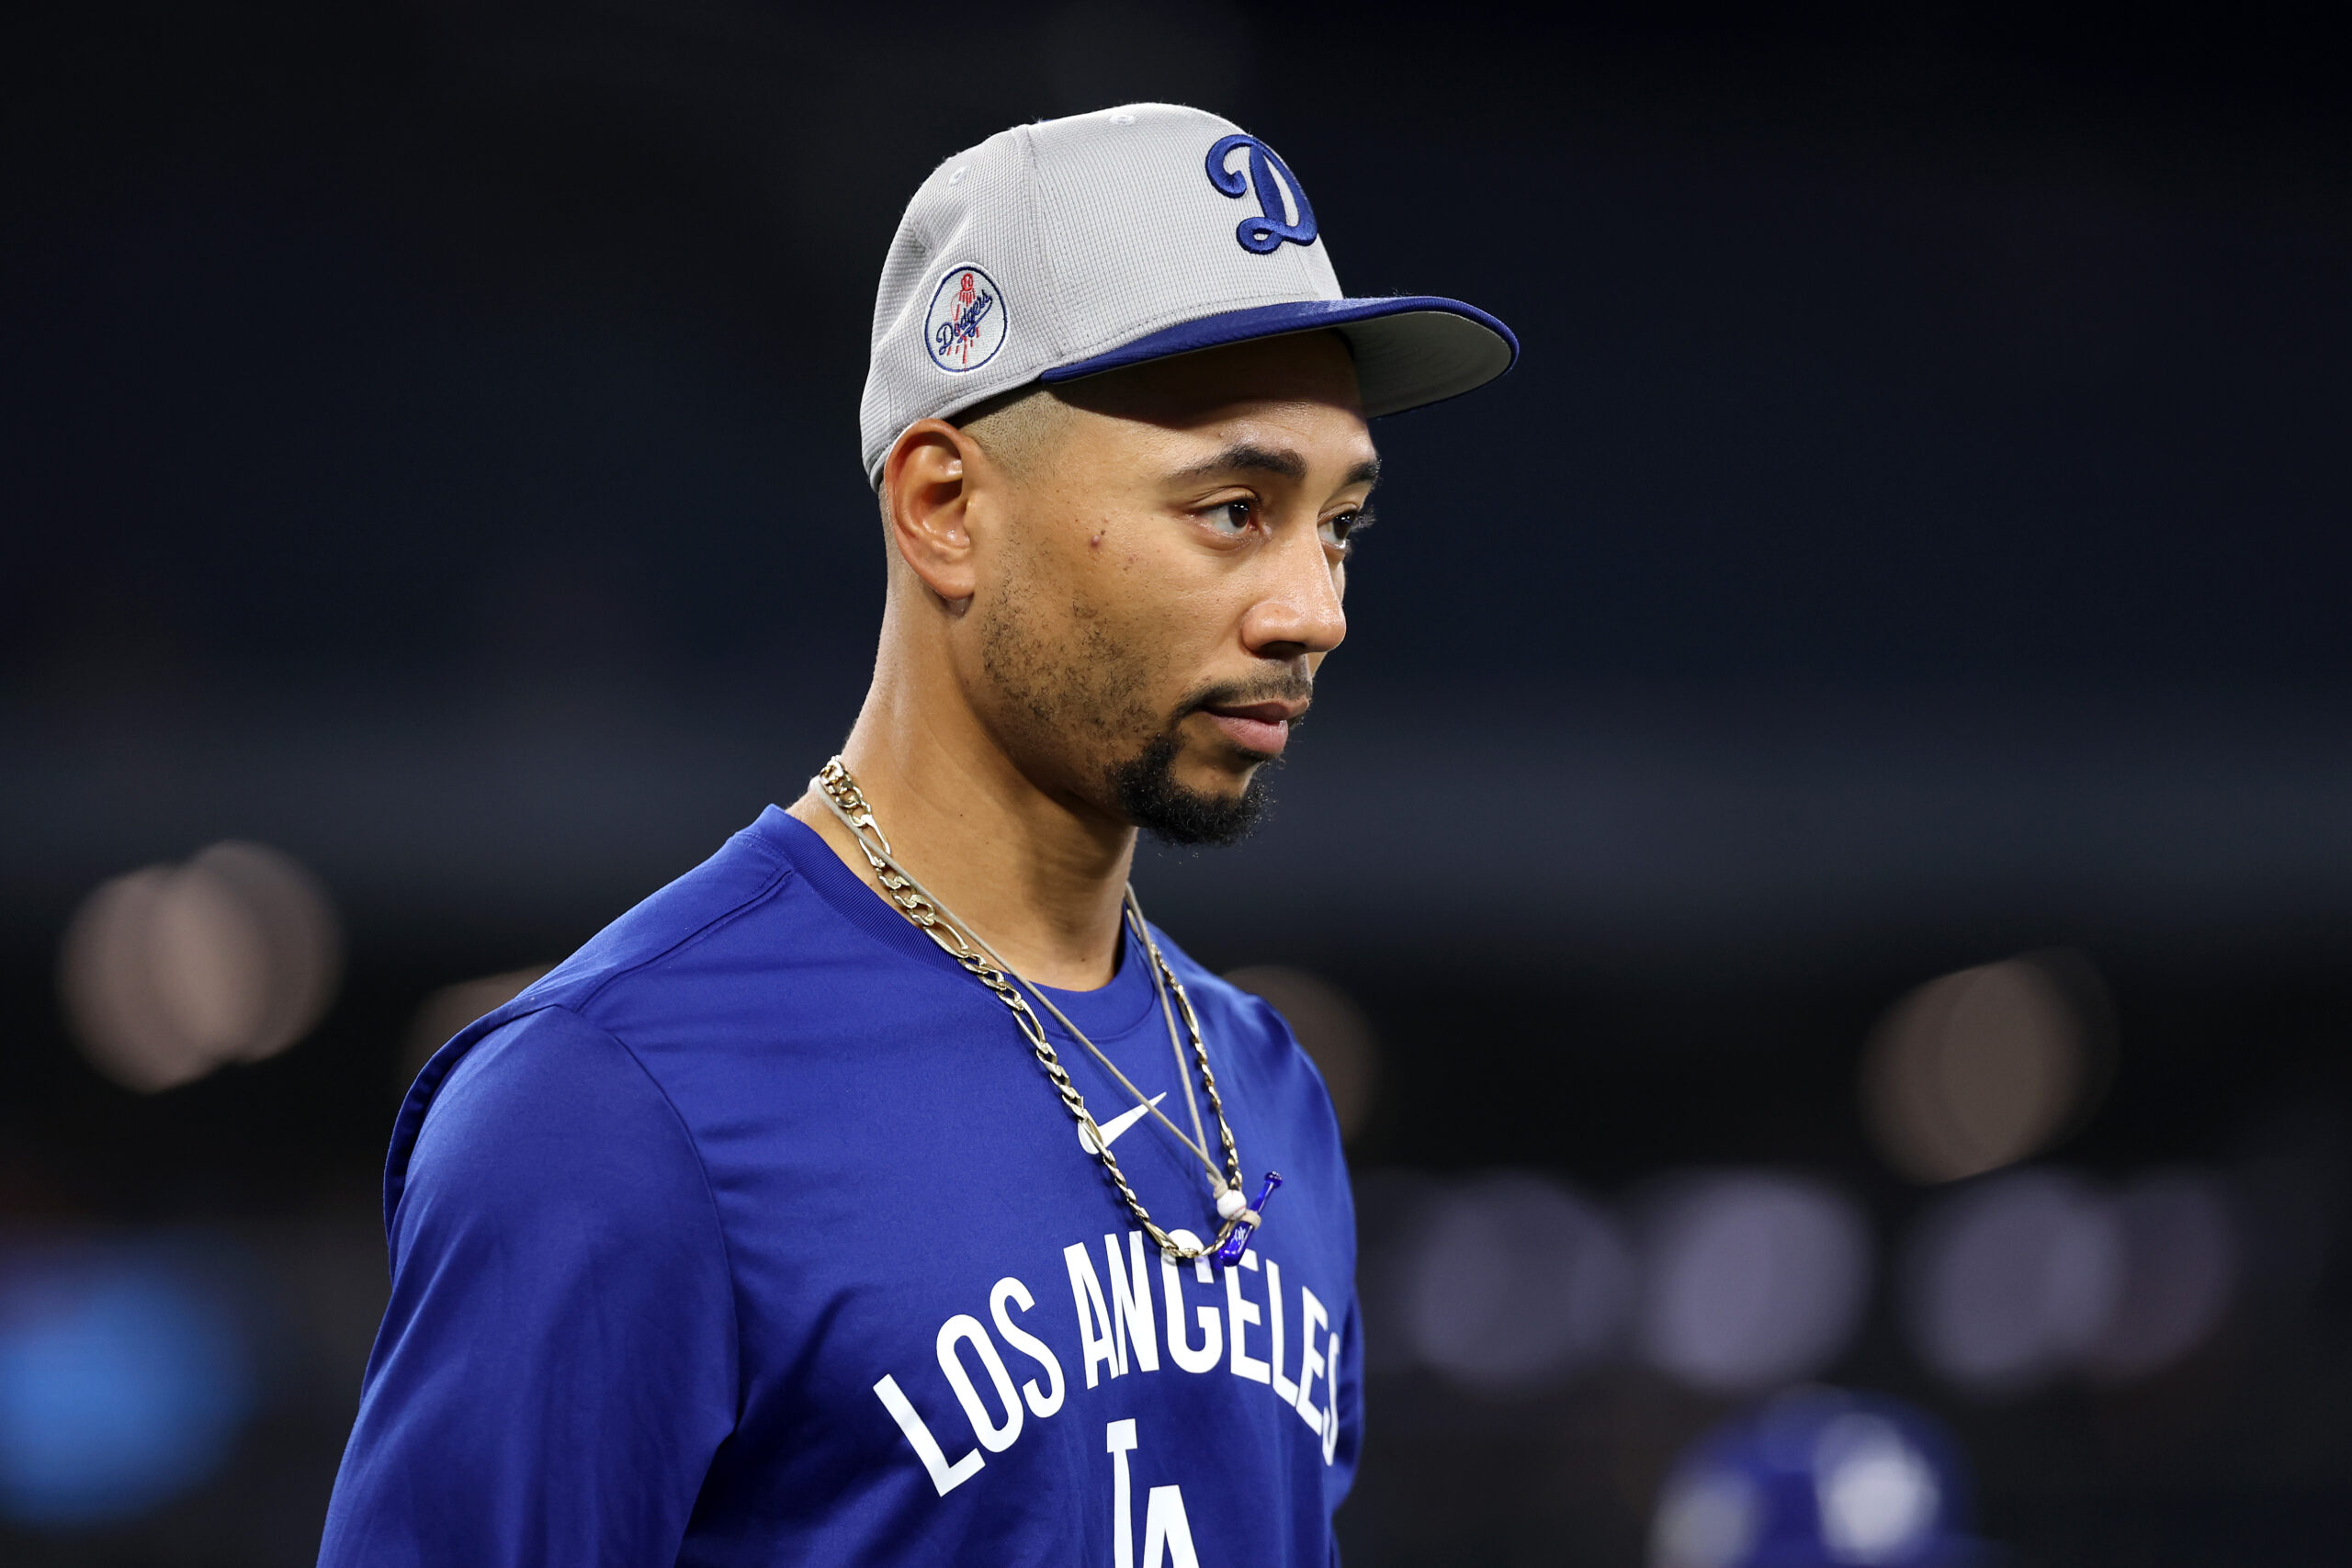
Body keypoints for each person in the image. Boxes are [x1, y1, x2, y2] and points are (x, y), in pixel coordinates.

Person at [319, 102, 1515, 1565]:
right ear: (945, 506)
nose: (1312, 612)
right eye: (1229, 509)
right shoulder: (607, 1107)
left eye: (1339, 525)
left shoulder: (1263, 1086)